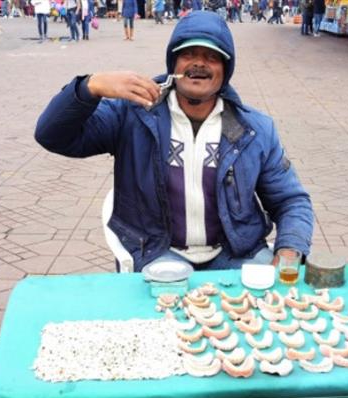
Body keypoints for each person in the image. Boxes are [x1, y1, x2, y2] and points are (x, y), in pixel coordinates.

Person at [34, 11, 313, 272]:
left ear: (225, 70)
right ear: (173, 64)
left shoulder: (255, 129)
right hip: (158, 252)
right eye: (188, 53)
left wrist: (289, 251)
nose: (199, 63)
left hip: (237, 254)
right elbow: (52, 135)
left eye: (212, 57)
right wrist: (89, 87)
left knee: (277, 310)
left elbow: (290, 200)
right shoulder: (133, 114)